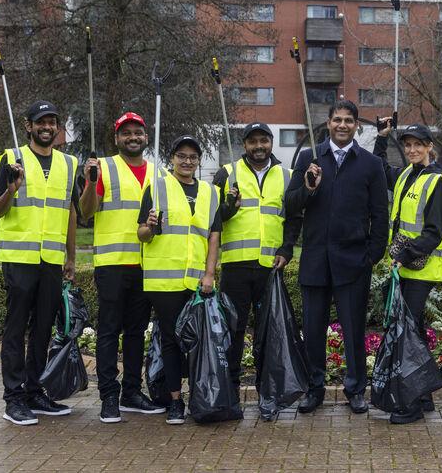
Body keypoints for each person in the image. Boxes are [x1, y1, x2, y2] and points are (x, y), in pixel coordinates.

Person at [285, 100, 389, 414]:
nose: (342, 125)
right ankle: (314, 389)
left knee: (354, 329)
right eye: (337, 120)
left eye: (348, 120)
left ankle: (355, 388)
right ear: (328, 122)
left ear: (356, 125)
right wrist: (307, 187)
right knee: (313, 330)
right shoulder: (309, 158)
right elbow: (290, 206)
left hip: (353, 262)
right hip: (316, 260)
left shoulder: (370, 164)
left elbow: (380, 215)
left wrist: (371, 256)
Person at [0, 100, 79, 426]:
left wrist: (71, 255)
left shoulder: (69, 164)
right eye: (41, 122)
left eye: (52, 122)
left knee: (43, 328)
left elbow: (70, 211)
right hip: (19, 258)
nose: (47, 127)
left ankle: (34, 391)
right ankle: (13, 399)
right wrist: (11, 189)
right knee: (16, 330)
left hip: (51, 259)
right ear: (28, 126)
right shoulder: (11, 159)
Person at [79, 112, 165, 423]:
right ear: (117, 138)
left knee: (135, 333)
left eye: (138, 132)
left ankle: (131, 392)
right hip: (113, 264)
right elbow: (85, 213)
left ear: (145, 137)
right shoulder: (104, 167)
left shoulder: (158, 172)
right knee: (108, 332)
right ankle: (109, 397)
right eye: (126, 132)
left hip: (146, 265)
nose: (133, 137)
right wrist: (90, 183)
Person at [211, 122, 300, 418]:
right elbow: (210, 220)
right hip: (236, 267)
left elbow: (293, 218)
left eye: (264, 140)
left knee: (268, 334)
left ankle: (268, 396)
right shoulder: (227, 173)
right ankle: (231, 395)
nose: (259, 146)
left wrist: (287, 249)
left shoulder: (287, 176)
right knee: (232, 333)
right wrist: (226, 208)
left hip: (270, 269)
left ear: (271, 142)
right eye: (253, 141)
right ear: (244, 144)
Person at [138, 135, 222, 425]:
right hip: (164, 282)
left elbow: (213, 236)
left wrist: (209, 273)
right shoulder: (157, 188)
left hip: (197, 281)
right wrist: (149, 227)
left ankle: (202, 395)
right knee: (173, 340)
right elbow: (141, 235)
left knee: (200, 341)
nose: (187, 161)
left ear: (198, 161)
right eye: (181, 156)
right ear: (172, 158)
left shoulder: (211, 193)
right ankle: (175, 400)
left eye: (193, 157)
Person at [374, 120, 442, 424]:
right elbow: (382, 171)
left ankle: (414, 404)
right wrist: (382, 139)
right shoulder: (408, 174)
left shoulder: (438, 181)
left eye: (418, 144)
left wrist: (403, 256)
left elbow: (434, 232)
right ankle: (423, 395)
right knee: (413, 331)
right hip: (408, 266)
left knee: (409, 333)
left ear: (429, 147)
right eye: (407, 145)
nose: (412, 150)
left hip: (422, 267)